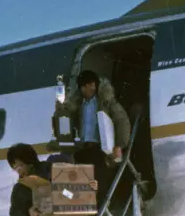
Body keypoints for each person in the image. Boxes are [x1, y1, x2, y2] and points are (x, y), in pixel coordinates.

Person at [56, 69, 131, 208]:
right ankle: (86, 212)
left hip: (100, 149)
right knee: (83, 184)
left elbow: (122, 121)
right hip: (84, 148)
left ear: (96, 85)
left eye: (91, 84)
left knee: (99, 183)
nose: (88, 88)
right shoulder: (79, 106)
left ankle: (99, 211)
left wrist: (119, 145)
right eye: (84, 86)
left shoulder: (107, 102)